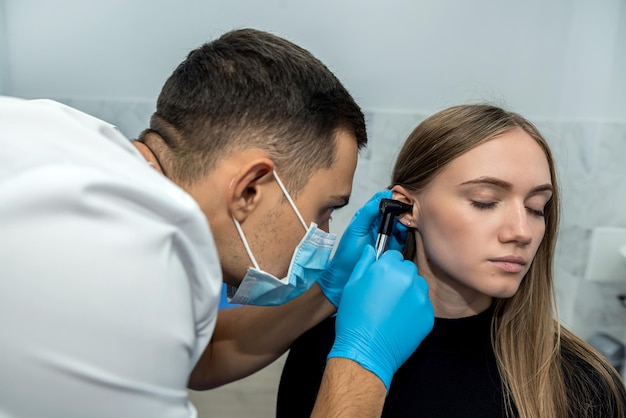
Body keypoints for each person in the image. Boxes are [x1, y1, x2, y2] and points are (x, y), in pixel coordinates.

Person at [0, 29, 434, 417]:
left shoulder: (71, 140)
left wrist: (328, 290)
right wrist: (364, 358)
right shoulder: (120, 269)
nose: (321, 235)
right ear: (249, 189)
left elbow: (200, 354)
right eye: (325, 210)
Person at [277, 104, 626, 418]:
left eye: (536, 207)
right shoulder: (331, 352)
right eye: (484, 201)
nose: (522, 231)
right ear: (407, 208)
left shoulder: (587, 381)